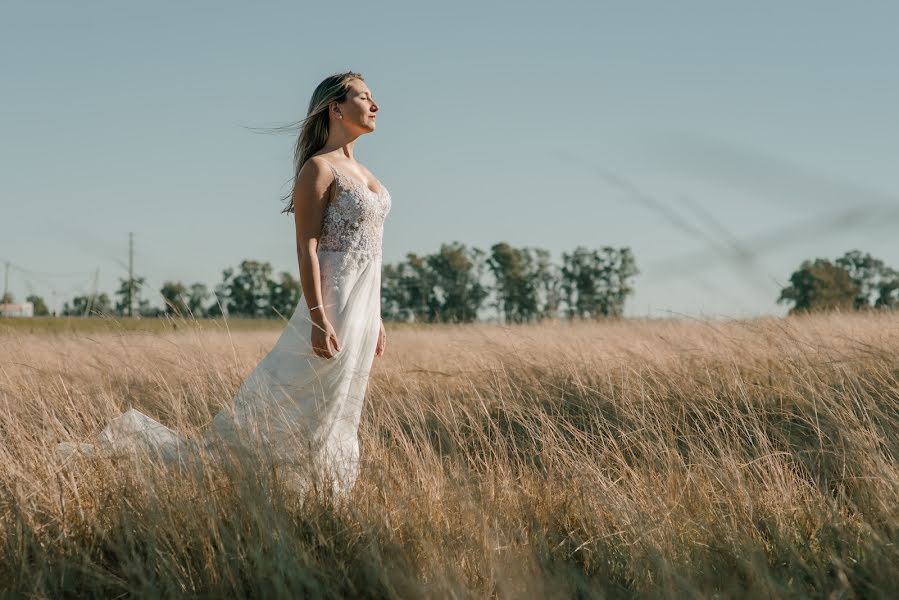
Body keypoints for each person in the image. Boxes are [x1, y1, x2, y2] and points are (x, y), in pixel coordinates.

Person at [57, 71, 391, 498]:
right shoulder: (318, 169)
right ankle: (290, 490)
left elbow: (373, 255)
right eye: (365, 97)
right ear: (336, 108)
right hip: (333, 305)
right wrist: (317, 317)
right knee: (292, 405)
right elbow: (307, 248)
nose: (375, 104)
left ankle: (320, 499)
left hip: (362, 311)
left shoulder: (365, 171)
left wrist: (376, 315)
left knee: (343, 404)